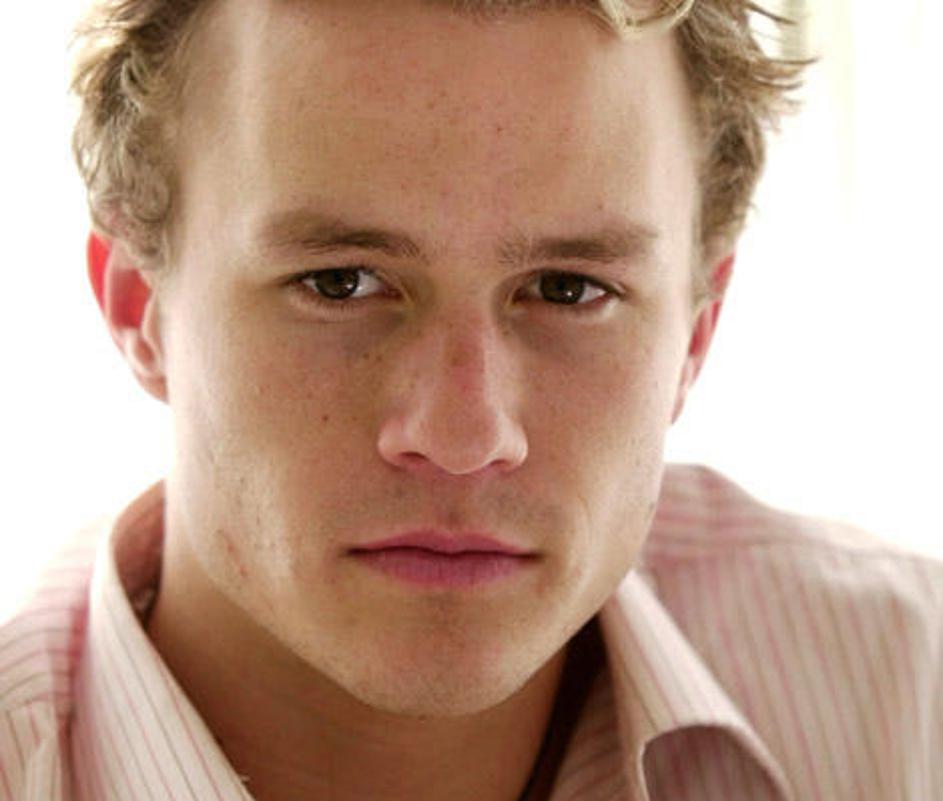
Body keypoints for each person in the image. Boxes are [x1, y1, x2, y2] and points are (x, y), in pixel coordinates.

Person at [1, 0, 940, 799]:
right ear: (137, 303)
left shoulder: (913, 698)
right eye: (339, 282)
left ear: (696, 331)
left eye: (568, 289)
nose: (461, 435)